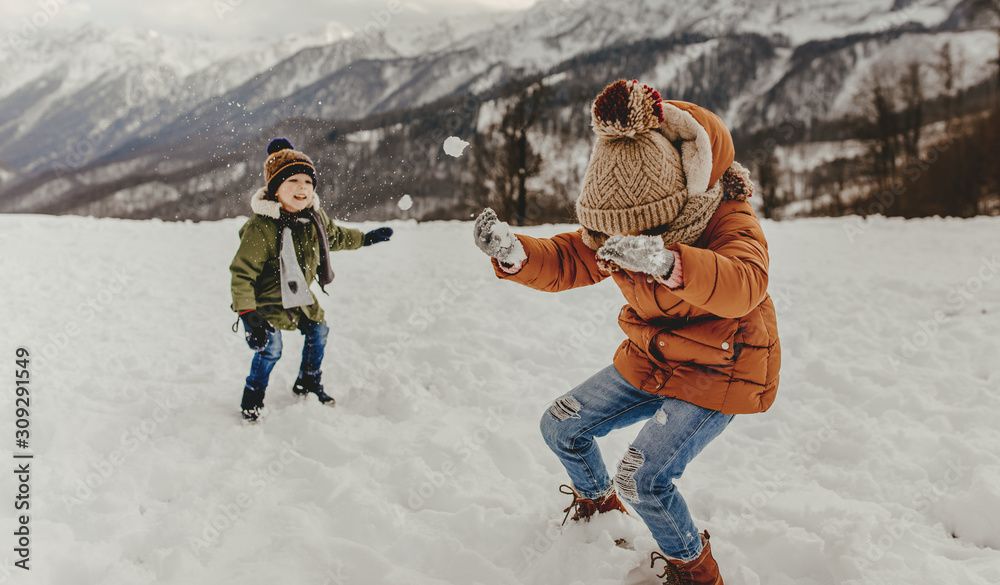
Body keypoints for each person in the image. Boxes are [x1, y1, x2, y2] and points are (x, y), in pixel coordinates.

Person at [473, 79, 780, 584]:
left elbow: (745, 284)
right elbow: (574, 256)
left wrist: (669, 262)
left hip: (722, 367)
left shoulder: (727, 215)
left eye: (637, 233)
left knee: (643, 478)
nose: (621, 243)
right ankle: (600, 513)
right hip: (655, 357)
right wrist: (517, 254)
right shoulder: (617, 224)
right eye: (613, 231)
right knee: (561, 426)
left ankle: (697, 572)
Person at [230, 138, 393, 422]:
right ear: (275, 188)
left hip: (299, 295)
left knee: (318, 332)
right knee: (271, 350)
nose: (302, 187)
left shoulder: (315, 218)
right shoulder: (261, 227)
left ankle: (308, 381)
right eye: (292, 180)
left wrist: (366, 238)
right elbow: (242, 272)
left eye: (307, 181)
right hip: (267, 300)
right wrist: (248, 314)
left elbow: (335, 237)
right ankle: (252, 399)